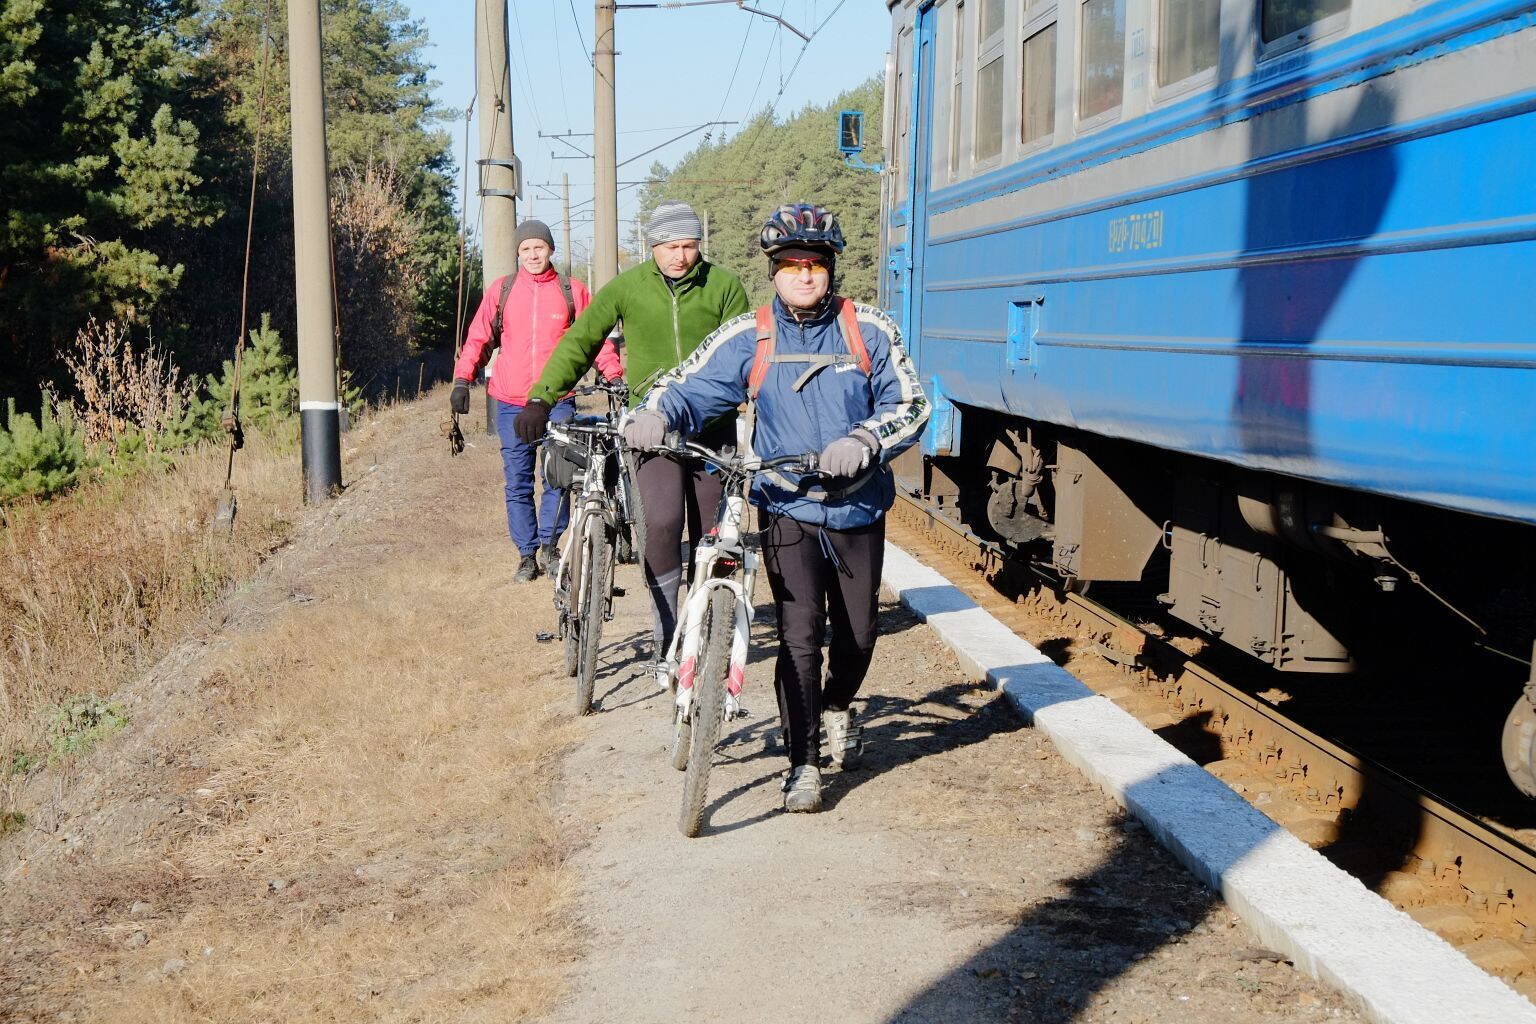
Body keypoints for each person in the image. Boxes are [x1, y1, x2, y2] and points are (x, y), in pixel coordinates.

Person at [623, 203, 929, 813]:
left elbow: (911, 404)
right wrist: (657, 415)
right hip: (787, 504)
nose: (803, 274)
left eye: (814, 264)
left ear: (831, 268)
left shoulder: (870, 328)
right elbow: (688, 384)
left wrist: (865, 440)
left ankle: (838, 705)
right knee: (798, 635)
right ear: (774, 271)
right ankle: (803, 765)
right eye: (791, 264)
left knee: (859, 637)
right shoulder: (751, 334)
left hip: (856, 506)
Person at [514, 201, 751, 662]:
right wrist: (542, 397)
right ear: (652, 246)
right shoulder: (629, 287)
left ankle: (706, 627)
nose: (680, 256)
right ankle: (668, 631)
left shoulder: (724, 286)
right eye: (670, 247)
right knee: (661, 523)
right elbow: (581, 340)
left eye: (689, 246)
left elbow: (743, 353)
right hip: (649, 431)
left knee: (713, 534)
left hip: (712, 430)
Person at [451, 220, 621, 583]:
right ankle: (526, 555)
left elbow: (595, 339)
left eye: (538, 248)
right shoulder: (503, 290)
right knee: (518, 480)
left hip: (558, 399)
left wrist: (613, 373)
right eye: (525, 249)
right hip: (511, 401)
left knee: (558, 477)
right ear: (518, 253)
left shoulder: (572, 290)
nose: (532, 255)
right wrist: (463, 379)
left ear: (550, 249)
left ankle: (550, 546)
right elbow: (479, 338)